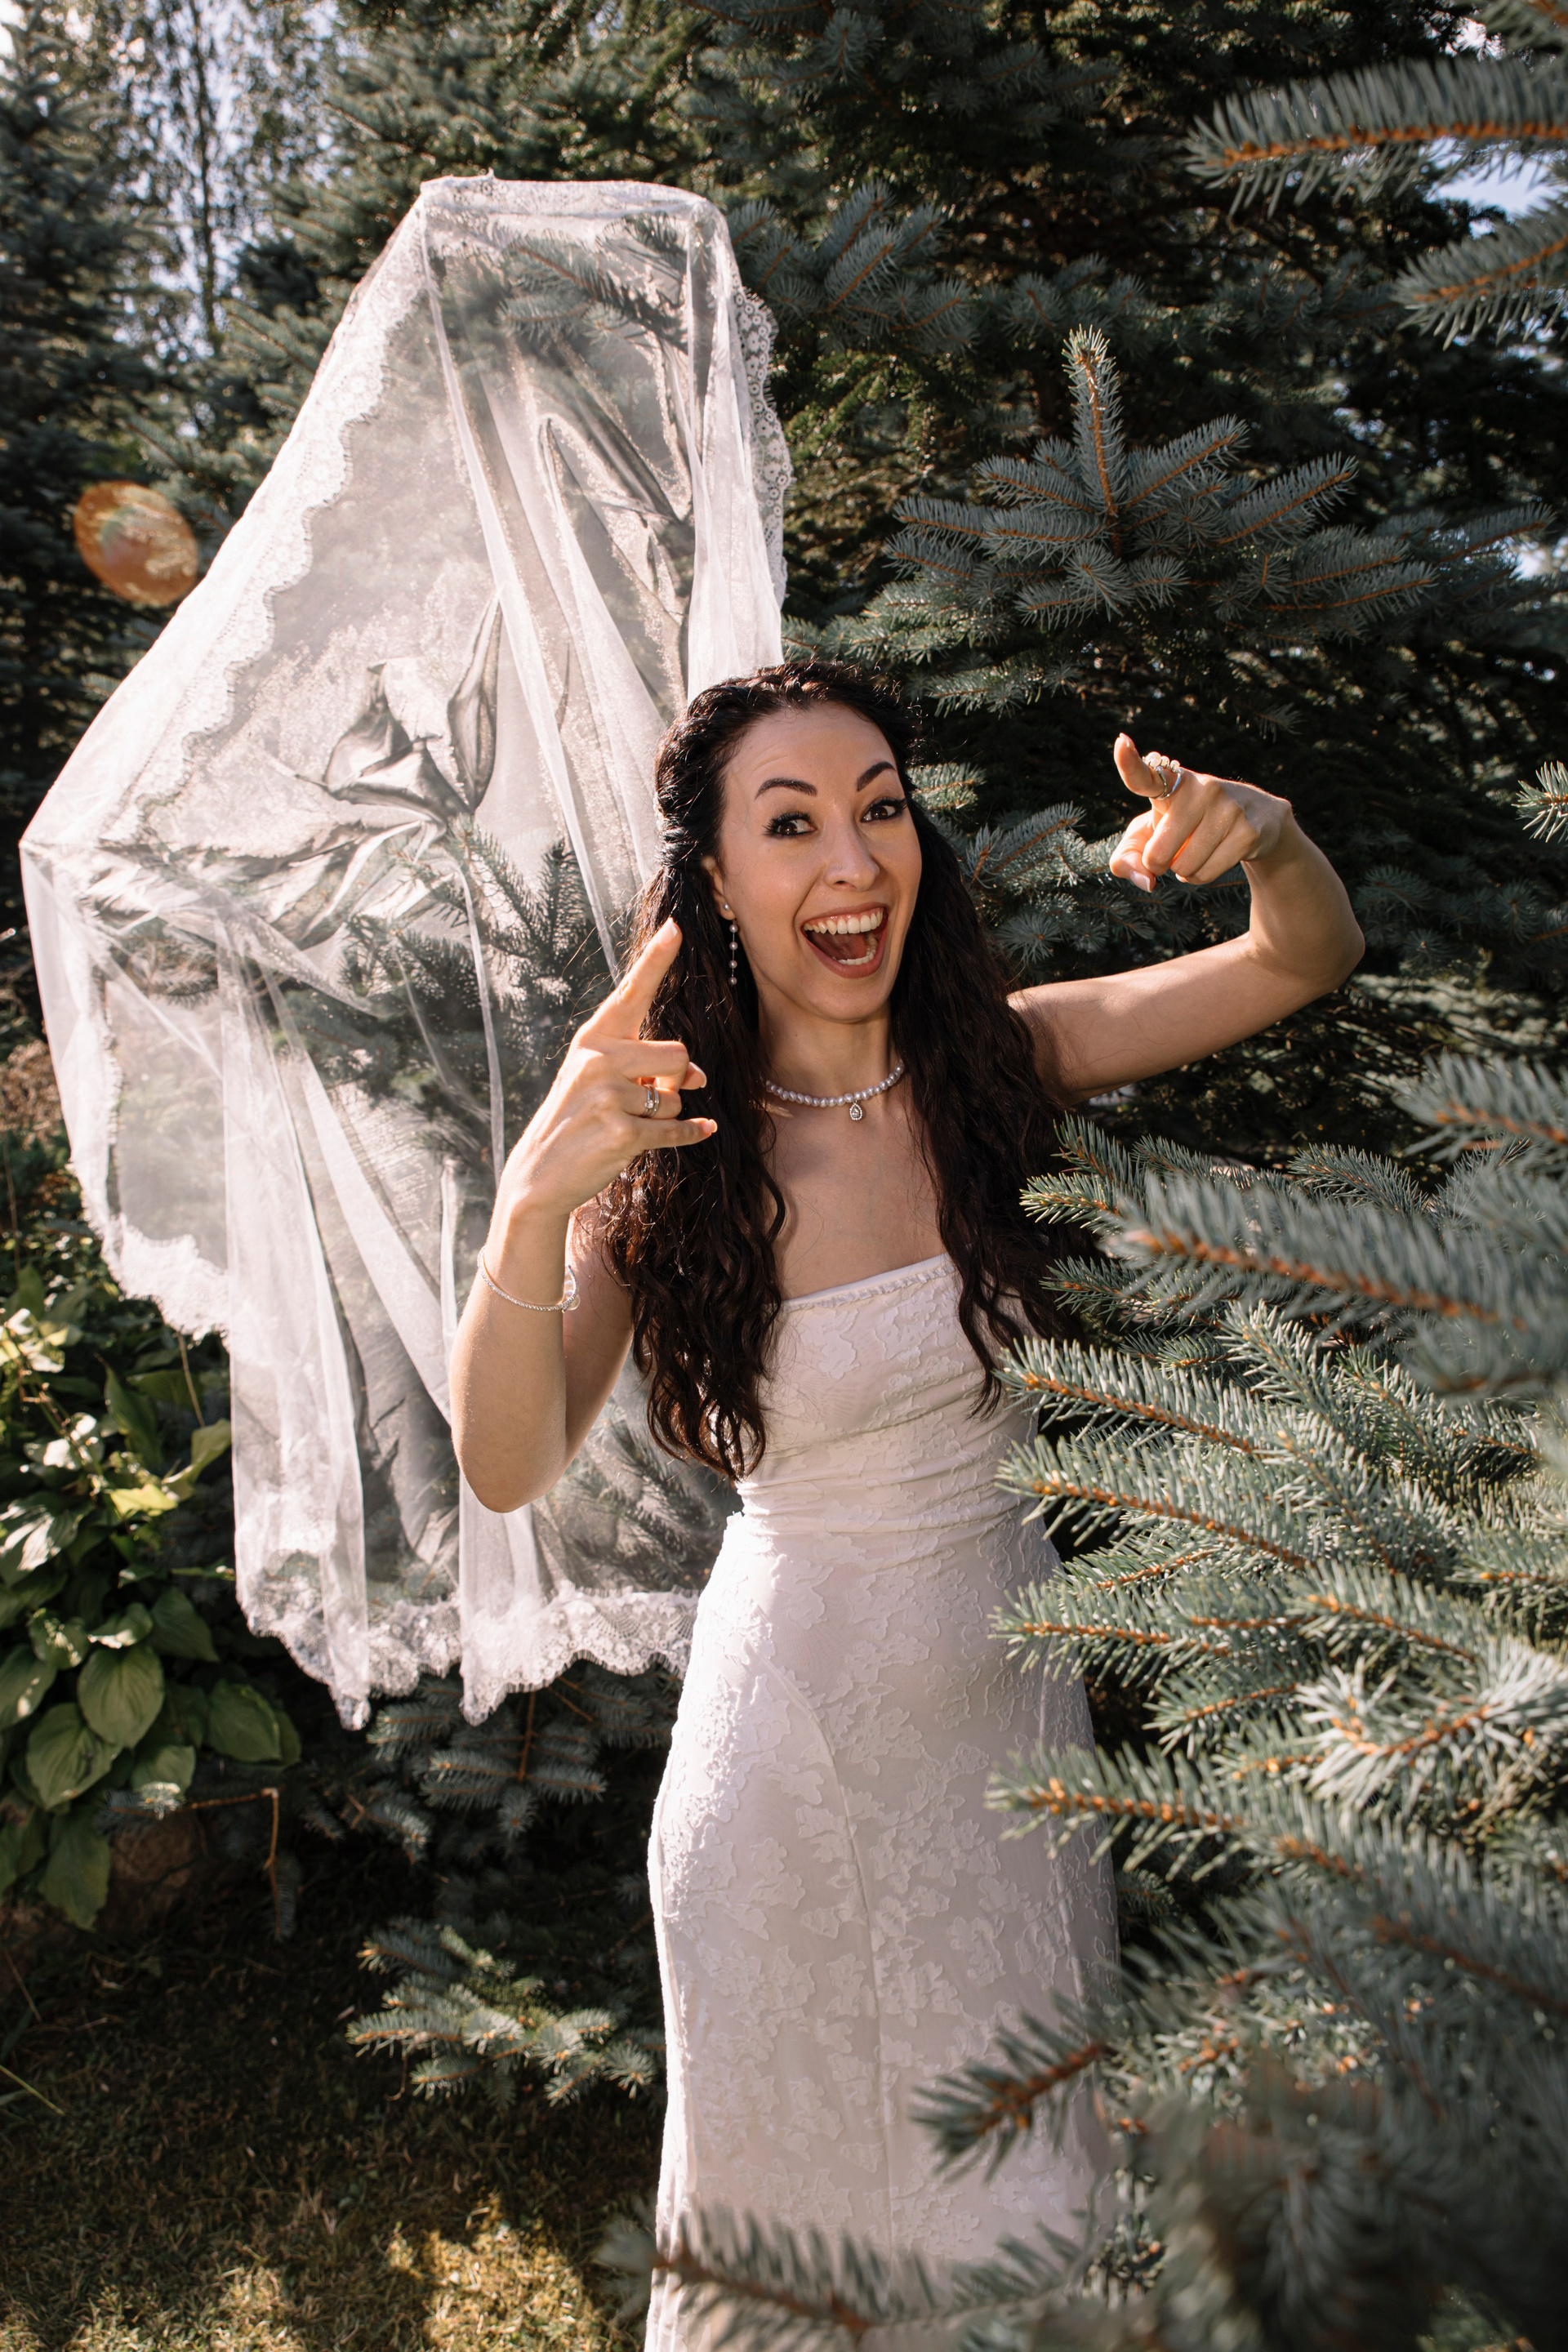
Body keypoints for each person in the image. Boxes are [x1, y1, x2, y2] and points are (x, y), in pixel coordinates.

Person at [451, 656, 1364, 2345]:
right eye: (791, 823)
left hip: (1011, 1757)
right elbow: (507, 1463)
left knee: (1025, 2215)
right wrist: (529, 1208)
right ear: (716, 880)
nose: (854, 860)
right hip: (788, 1777)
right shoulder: (672, 1149)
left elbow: (1302, 955)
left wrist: (1272, 837)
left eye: (880, 808)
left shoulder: (997, 1066)